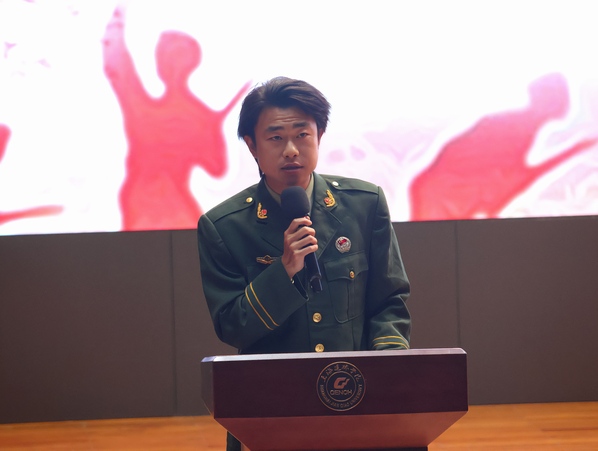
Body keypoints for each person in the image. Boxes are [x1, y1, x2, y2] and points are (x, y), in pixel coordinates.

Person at [196, 76, 411, 451]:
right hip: (271, 408)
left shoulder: (365, 204)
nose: (291, 150)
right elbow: (232, 325)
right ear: (252, 145)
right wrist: (283, 272)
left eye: (302, 135)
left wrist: (388, 369)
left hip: (354, 397)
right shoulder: (224, 227)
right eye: (276, 138)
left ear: (320, 136)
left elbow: (388, 301)